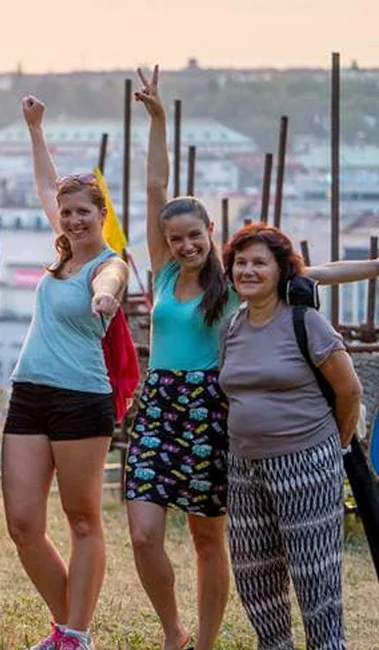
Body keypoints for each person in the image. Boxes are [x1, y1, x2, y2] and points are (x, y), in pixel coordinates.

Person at [128, 66, 379, 650]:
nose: (185, 245)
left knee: (208, 538)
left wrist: (377, 266)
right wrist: (158, 119)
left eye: (195, 235)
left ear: (210, 231)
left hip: (212, 405)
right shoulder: (163, 272)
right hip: (160, 403)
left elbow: (316, 273)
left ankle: (205, 640)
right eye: (175, 238)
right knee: (142, 533)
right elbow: (154, 188)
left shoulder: (235, 278)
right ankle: (172, 630)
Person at [3, 95, 130, 650]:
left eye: (85, 211)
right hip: (29, 391)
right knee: (22, 523)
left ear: (102, 215)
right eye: (68, 212)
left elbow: (111, 282)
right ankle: (71, 627)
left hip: (82, 397)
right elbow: (45, 183)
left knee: (81, 519)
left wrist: (105, 298)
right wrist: (36, 129)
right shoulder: (61, 258)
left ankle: (73, 634)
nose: (75, 219)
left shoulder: (110, 263)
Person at [220, 223, 361, 650]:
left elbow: (349, 391)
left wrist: (335, 444)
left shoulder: (305, 322)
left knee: (314, 574)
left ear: (281, 270)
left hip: (305, 461)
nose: (248, 270)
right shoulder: (233, 326)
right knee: (254, 574)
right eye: (240, 262)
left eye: (259, 262)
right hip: (244, 466)